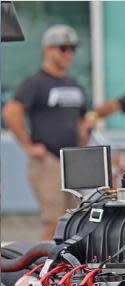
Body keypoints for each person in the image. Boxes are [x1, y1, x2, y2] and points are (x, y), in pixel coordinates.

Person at [2, 25, 88, 240]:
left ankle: (67, 266)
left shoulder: (73, 83)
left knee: (75, 219)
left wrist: (84, 145)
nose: (69, 54)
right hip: (49, 160)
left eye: (72, 49)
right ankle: (44, 267)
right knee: (54, 220)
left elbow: (82, 119)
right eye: (63, 48)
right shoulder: (36, 83)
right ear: (48, 49)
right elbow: (12, 112)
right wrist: (28, 145)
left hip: (74, 161)